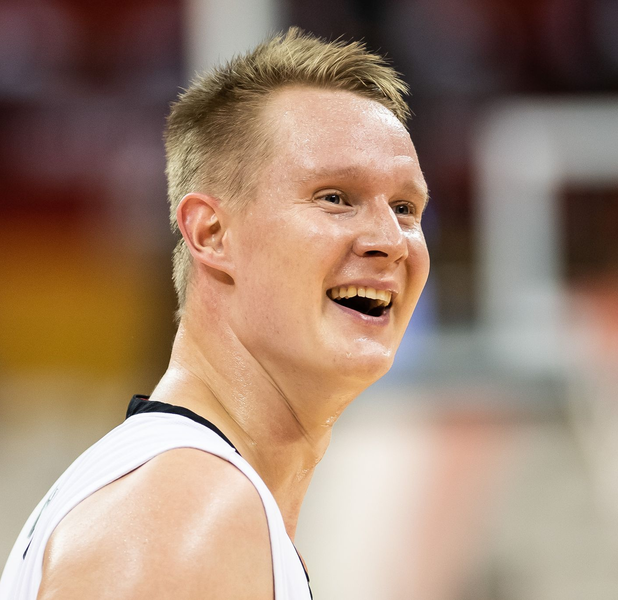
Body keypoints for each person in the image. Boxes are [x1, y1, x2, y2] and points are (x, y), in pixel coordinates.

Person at [0, 27, 429, 600]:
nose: (390, 240)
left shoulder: (192, 497)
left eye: (405, 208)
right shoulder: (188, 515)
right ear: (211, 233)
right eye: (335, 197)